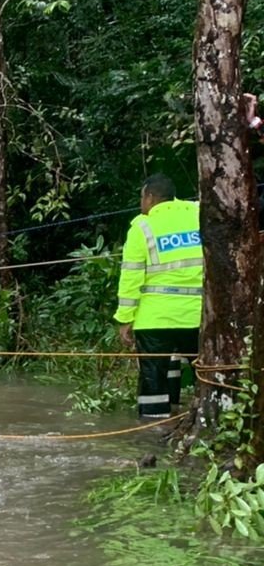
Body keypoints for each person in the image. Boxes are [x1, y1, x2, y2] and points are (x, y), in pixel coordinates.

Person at [114, 174, 203, 420]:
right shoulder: (199, 213)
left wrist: (124, 319)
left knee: (154, 377)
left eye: (142, 197)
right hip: (198, 315)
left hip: (154, 320)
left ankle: (153, 432)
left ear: (150, 197)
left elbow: (131, 277)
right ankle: (206, 421)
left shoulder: (142, 227)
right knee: (206, 374)